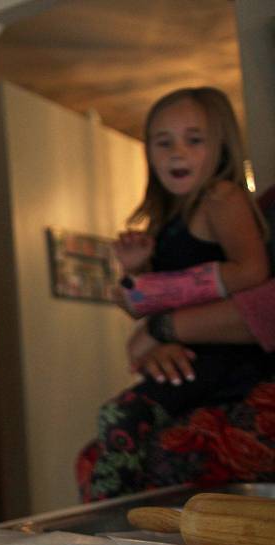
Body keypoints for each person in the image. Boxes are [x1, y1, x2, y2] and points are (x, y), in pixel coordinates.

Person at [78, 87, 272, 500]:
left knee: (119, 416)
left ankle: (113, 523)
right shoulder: (170, 217)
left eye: (194, 140)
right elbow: (143, 310)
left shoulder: (222, 197)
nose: (176, 152)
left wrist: (158, 307)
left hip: (224, 360)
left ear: (220, 147)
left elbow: (253, 271)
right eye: (163, 143)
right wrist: (137, 271)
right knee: (124, 424)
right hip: (190, 357)